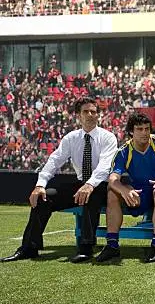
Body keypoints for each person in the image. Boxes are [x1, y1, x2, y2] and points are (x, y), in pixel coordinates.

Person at [1, 97, 117, 263]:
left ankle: (86, 248)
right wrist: (40, 185)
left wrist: (90, 184)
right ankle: (29, 248)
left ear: (98, 115)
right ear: (78, 115)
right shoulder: (71, 138)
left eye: (94, 111)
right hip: (81, 183)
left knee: (91, 195)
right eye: (86, 111)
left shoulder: (108, 137)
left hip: (101, 185)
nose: (90, 115)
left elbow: (105, 165)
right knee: (44, 197)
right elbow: (54, 161)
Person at [96, 112, 155, 263]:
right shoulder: (123, 151)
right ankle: (112, 245)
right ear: (131, 132)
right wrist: (124, 190)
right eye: (139, 129)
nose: (144, 133)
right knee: (112, 192)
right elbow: (113, 178)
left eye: (147, 129)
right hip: (140, 192)